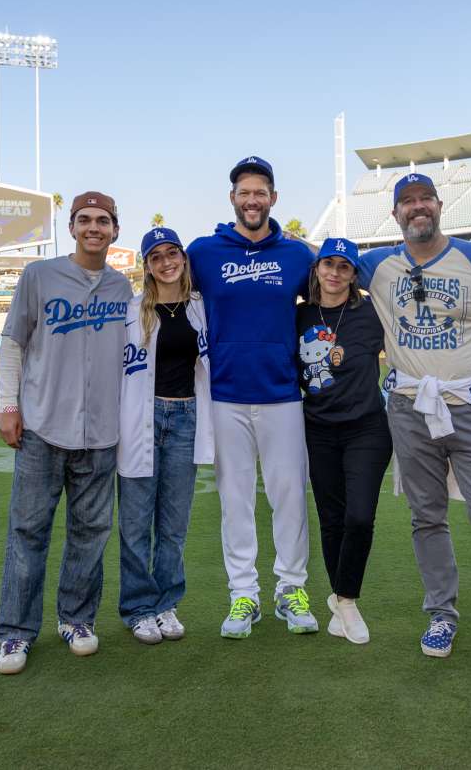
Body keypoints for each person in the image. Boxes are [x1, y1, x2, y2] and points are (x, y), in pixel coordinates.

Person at [358, 173, 471, 666]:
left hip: (469, 407)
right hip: (410, 408)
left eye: (424, 200)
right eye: (406, 202)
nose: (417, 208)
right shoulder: (374, 265)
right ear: (394, 214)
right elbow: (323, 273)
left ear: (439, 206)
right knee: (426, 516)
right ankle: (441, 614)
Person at [0, 191, 133, 675]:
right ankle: (15, 633)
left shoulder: (123, 290)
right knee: (28, 532)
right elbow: (13, 343)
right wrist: (8, 405)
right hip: (43, 426)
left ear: (115, 230)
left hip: (101, 433)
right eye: (85, 220)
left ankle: (76, 619)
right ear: (72, 227)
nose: (94, 227)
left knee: (90, 533)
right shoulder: (39, 276)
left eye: (103, 221)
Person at [187, 156, 319, 638]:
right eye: (244, 192)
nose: (252, 200)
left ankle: (291, 589)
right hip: (224, 395)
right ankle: (243, 594)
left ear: (273, 198)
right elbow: (164, 290)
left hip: (283, 393)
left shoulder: (298, 255)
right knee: (235, 499)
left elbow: (337, 286)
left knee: (289, 495)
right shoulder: (203, 252)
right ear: (233, 199)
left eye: (260, 191)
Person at [116, 227, 213, 645]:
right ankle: (139, 607)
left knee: (173, 524)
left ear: (184, 259)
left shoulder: (200, 308)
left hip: (186, 416)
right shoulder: (132, 309)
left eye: (173, 253)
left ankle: (166, 603)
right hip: (141, 416)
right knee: (136, 522)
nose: (166, 261)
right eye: (156, 256)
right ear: (147, 266)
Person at [295, 237, 391, 644]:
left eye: (344, 267)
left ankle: (345, 598)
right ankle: (344, 603)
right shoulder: (298, 316)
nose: (334, 273)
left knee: (359, 518)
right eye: (327, 264)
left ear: (355, 275)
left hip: (367, 428)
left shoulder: (372, 313)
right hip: (316, 428)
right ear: (316, 269)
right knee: (331, 520)